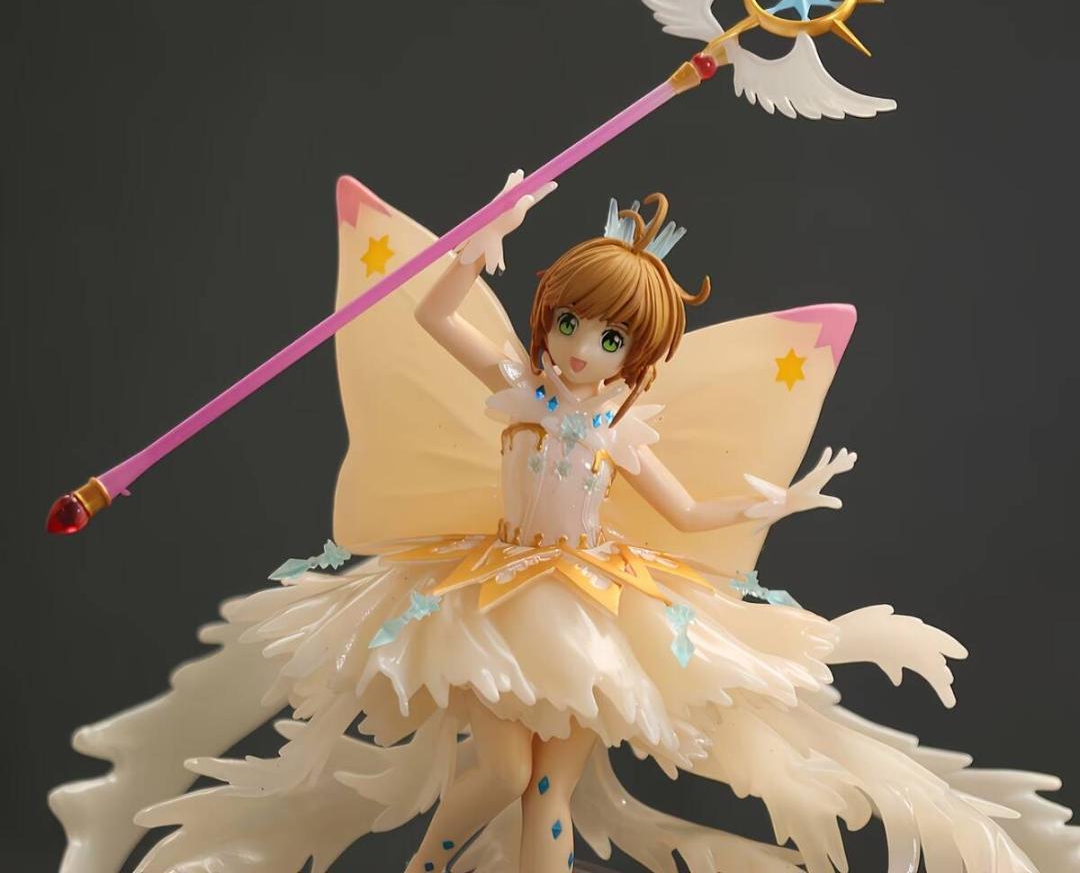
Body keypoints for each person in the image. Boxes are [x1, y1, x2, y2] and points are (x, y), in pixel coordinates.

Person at [50, 175, 1078, 873]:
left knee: (550, 793)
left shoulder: (621, 429)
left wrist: (776, 501)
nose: (581, 348)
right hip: (496, 593)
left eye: (609, 338)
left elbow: (685, 510)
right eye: (572, 323)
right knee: (501, 770)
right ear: (548, 318)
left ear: (639, 358)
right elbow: (433, 315)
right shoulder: (516, 384)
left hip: (598, 605)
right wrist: (482, 239)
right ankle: (429, 864)